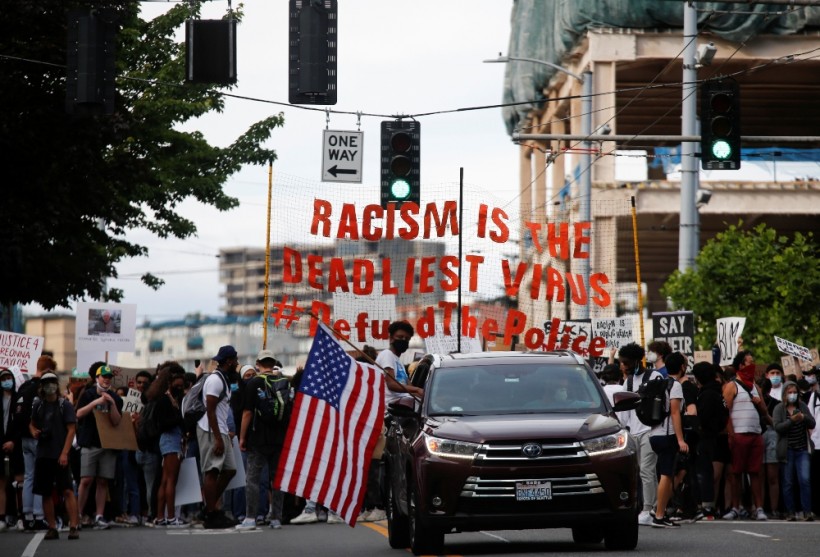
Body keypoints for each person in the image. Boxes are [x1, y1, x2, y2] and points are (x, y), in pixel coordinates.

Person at [236, 350, 291, 530]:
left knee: (252, 478)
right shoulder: (284, 382)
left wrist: (242, 438)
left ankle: (250, 518)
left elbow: (247, 413)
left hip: (258, 439)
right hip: (280, 439)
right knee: (277, 479)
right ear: (273, 362)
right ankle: (276, 517)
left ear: (258, 363)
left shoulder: (254, 383)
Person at [722, 350, 771, 521]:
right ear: (741, 365)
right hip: (739, 435)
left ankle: (758, 508)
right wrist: (731, 434)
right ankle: (736, 507)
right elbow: (725, 411)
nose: (753, 364)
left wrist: (759, 404)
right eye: (750, 362)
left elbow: (764, 412)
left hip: (755, 434)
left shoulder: (756, 387)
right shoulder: (731, 386)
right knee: (736, 473)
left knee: (755, 473)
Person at [30, 372, 80, 540]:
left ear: (56, 385)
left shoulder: (64, 405)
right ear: (41, 386)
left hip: (60, 454)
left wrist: (65, 452)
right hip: (43, 454)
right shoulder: (38, 405)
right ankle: (52, 527)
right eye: (46, 382)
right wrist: (34, 431)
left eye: (52, 382)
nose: (49, 385)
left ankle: (73, 526)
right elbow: (31, 423)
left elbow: (71, 429)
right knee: (45, 492)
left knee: (67, 490)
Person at [618, 342, 662, 526]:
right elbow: (624, 413)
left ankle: (647, 509)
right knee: (646, 472)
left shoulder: (655, 376)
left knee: (646, 470)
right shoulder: (627, 382)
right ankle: (656, 506)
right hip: (634, 432)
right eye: (622, 362)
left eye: (626, 362)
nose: (624, 366)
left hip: (650, 431)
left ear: (637, 360)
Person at [75, 364, 124, 529]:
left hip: (107, 444)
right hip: (90, 442)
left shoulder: (115, 398)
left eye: (109, 377)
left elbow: (117, 421)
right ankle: (78, 515)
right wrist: (97, 401)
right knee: (86, 479)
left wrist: (111, 404)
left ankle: (99, 515)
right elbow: (78, 414)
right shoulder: (88, 394)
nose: (106, 379)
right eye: (103, 377)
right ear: (97, 378)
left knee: (103, 481)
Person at [198, 346, 238, 529]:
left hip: (220, 429)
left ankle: (209, 507)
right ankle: (212, 513)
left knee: (230, 469)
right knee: (213, 471)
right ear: (229, 361)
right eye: (235, 360)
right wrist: (218, 438)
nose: (237, 363)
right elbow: (210, 410)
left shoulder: (224, 379)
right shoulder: (215, 380)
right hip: (211, 430)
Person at [12, 355, 54, 531]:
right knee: (40, 476)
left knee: (29, 476)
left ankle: (27, 514)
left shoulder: (23, 387)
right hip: (38, 437)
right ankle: (39, 515)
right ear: (49, 369)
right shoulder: (44, 386)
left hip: (23, 438)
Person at [648, 352, 688, 528]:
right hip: (667, 435)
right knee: (666, 475)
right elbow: (675, 413)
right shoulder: (676, 385)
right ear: (682, 367)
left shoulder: (661, 383)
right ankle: (658, 515)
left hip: (654, 434)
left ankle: (660, 513)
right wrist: (680, 439)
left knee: (665, 474)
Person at [147, 363, 188, 528]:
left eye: (182, 385)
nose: (180, 388)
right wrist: (179, 419)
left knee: (165, 480)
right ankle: (170, 516)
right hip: (170, 440)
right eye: (177, 385)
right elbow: (163, 423)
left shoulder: (169, 399)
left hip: (170, 440)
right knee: (171, 480)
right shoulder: (165, 400)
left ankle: (160, 516)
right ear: (170, 383)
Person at [773, 380, 815, 521]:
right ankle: (790, 511)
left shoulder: (802, 406)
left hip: (802, 449)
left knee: (805, 480)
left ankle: (807, 511)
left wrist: (803, 417)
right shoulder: (779, 408)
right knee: (788, 481)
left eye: (795, 392)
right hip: (787, 450)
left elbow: (812, 422)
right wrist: (792, 420)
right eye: (790, 392)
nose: (792, 395)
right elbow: (778, 427)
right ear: (785, 394)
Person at [692, 362, 727, 521]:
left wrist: (697, 426)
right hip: (714, 436)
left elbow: (703, 417)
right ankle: (709, 506)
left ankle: (706, 507)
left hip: (705, 437)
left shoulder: (706, 394)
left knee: (704, 472)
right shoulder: (718, 392)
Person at [375, 321, 424, 404]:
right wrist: (417, 390)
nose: (403, 340)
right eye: (400, 337)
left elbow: (408, 385)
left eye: (407, 339)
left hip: (401, 404)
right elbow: (391, 384)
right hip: (390, 408)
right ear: (391, 338)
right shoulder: (387, 355)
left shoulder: (398, 360)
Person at [1, 367, 22, 531]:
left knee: (18, 481)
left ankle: (20, 515)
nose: (6, 381)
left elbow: (20, 423)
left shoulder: (19, 399)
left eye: (9, 377)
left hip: (16, 445)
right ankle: (2, 517)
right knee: (1, 482)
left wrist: (13, 441)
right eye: (3, 378)